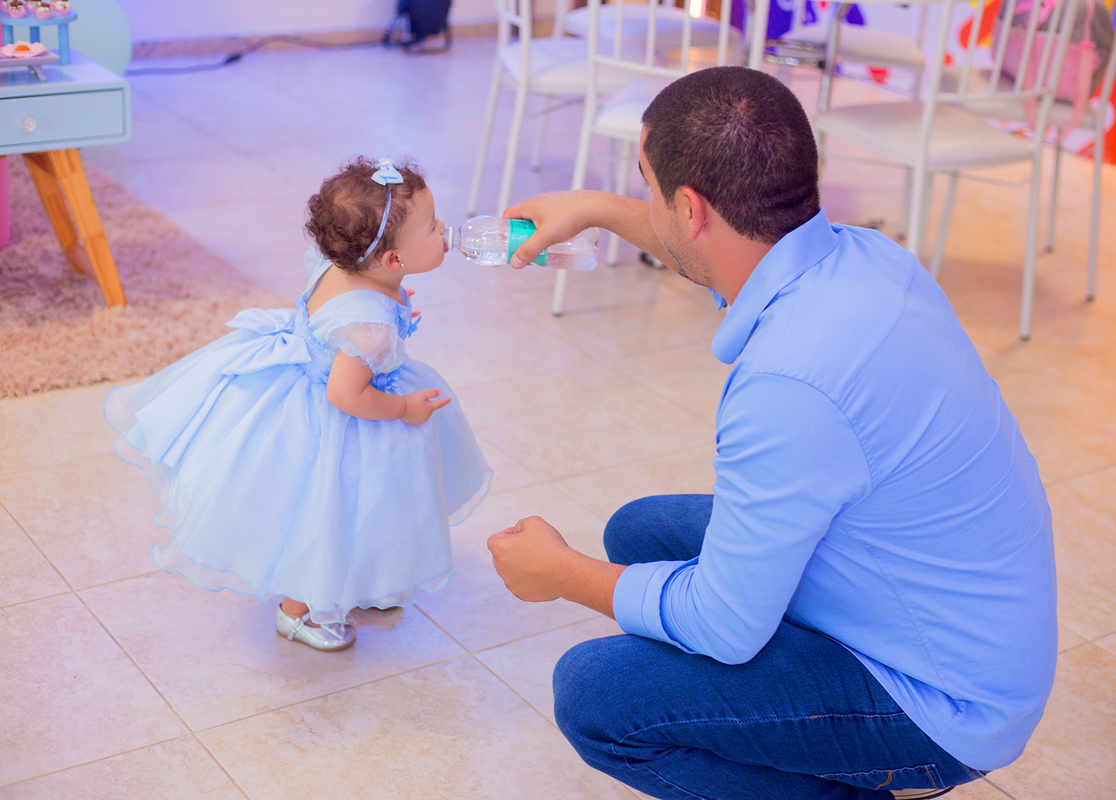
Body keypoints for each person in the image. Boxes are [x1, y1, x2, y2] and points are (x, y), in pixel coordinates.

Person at [486, 67, 1056, 799]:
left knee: (597, 695)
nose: (648, 206)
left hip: (945, 705)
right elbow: (724, 256)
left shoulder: (790, 387)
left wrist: (560, 574)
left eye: (647, 188)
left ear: (689, 208)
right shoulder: (867, 257)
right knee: (643, 532)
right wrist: (597, 209)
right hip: (964, 619)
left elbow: (724, 627)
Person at [106, 156, 492, 652]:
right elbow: (345, 393)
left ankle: (364, 578)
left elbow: (345, 304)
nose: (447, 230)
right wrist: (403, 409)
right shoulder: (369, 327)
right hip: (344, 418)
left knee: (370, 513)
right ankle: (300, 611)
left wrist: (389, 297)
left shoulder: (344, 263)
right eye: (434, 226)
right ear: (393, 260)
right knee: (328, 512)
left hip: (316, 381)